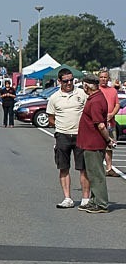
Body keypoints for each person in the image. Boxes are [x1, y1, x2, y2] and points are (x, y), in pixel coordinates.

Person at [47, 68, 90, 209]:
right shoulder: (54, 98)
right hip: (62, 135)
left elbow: (88, 111)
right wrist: (60, 126)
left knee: (83, 168)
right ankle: (67, 198)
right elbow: (51, 118)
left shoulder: (81, 93)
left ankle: (85, 198)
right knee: (63, 167)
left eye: (71, 80)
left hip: (81, 135)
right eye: (65, 81)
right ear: (59, 81)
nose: (69, 83)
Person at [77, 76, 116, 213]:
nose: (83, 88)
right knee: (92, 172)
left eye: (83, 86)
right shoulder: (96, 98)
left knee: (96, 174)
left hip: (93, 143)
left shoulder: (95, 101)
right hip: (90, 142)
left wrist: (108, 139)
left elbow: (100, 125)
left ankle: (101, 204)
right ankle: (94, 200)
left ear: (87, 86)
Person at [96, 69, 119, 177]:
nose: (103, 79)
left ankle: (109, 168)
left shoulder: (113, 91)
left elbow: (117, 105)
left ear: (108, 78)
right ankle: (98, 169)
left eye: (105, 77)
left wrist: (112, 114)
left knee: (110, 146)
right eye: (101, 77)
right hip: (99, 123)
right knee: (98, 147)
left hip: (110, 123)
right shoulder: (96, 90)